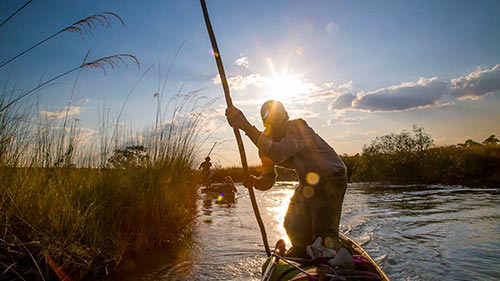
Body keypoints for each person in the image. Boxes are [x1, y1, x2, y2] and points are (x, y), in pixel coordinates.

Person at [225, 100, 348, 258]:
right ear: (265, 122)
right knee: (292, 225)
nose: (276, 121)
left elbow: (278, 152)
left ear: (286, 116)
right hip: (307, 182)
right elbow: (268, 179)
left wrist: (246, 126)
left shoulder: (299, 127)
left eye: (279, 116)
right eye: (270, 118)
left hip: (331, 177)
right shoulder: (264, 144)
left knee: (323, 232)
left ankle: (328, 253)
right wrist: (255, 181)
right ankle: (303, 252)